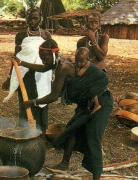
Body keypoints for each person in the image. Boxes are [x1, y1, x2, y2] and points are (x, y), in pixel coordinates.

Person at [24, 45, 113, 180]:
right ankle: (64, 164)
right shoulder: (59, 63)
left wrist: (33, 102)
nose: (43, 61)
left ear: (54, 55)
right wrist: (21, 62)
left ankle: (96, 177)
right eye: (41, 58)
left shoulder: (64, 67)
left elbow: (54, 96)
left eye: (45, 58)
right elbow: (43, 68)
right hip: (85, 103)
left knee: (93, 137)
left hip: (102, 100)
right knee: (72, 129)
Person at [2, 7, 51, 132]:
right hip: (25, 75)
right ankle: (26, 134)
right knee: (25, 102)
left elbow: (52, 57)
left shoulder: (46, 35)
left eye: (36, 18)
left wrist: (54, 75)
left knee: (41, 100)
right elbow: (16, 58)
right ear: (26, 19)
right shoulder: (21, 36)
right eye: (30, 18)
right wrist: (9, 78)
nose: (33, 21)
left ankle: (41, 133)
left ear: (41, 19)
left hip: (42, 74)